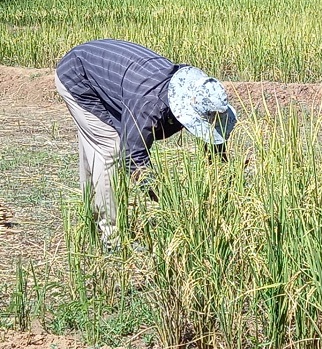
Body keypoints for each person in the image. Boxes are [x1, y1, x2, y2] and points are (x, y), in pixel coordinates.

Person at [55, 39, 237, 248]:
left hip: (111, 75)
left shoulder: (195, 89)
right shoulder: (150, 105)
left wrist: (222, 178)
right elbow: (133, 158)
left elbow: (213, 136)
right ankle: (112, 238)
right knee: (110, 150)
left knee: (97, 144)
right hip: (79, 76)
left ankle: (93, 217)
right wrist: (167, 200)